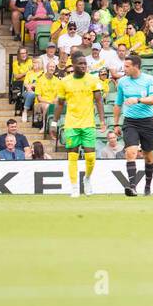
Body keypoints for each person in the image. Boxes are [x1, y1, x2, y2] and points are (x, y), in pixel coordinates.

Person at [54, 51, 107, 197]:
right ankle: (74, 187)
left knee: (90, 157)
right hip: (71, 124)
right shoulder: (65, 82)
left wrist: (102, 120)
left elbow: (99, 101)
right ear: (74, 64)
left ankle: (87, 178)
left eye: (85, 63)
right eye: (80, 63)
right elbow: (59, 104)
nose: (84, 66)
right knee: (72, 156)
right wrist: (54, 123)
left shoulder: (93, 80)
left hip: (88, 124)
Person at [114, 54, 153, 197]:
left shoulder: (149, 80)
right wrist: (116, 123)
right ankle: (132, 186)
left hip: (147, 121)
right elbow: (118, 103)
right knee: (131, 152)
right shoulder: (122, 82)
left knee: (148, 156)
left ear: (136, 67)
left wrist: (138, 100)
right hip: (130, 121)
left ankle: (147, 186)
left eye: (127, 66)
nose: (124, 69)